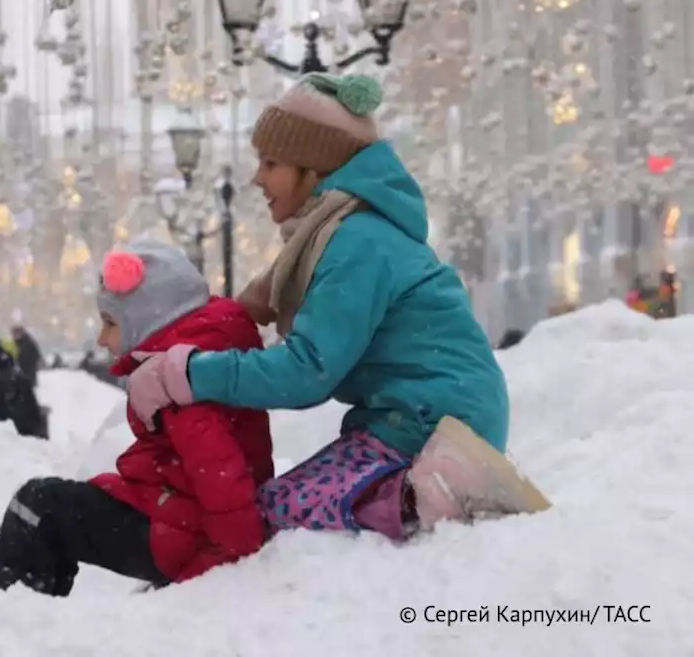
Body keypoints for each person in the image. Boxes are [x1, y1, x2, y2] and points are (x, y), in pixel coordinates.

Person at [124, 73, 549, 543]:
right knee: (273, 509)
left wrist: (188, 374)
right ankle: (420, 487)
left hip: (432, 422)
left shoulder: (357, 242)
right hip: (430, 412)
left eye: (271, 163)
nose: (258, 178)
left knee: (271, 513)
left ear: (314, 169)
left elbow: (307, 372)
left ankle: (423, 494)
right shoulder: (345, 234)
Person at [0, 242, 274, 596]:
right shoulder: (194, 361)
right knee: (59, 505)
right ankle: (31, 612)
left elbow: (224, 483)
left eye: (110, 323)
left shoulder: (176, 381)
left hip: (178, 531)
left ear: (150, 319)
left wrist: (208, 572)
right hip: (177, 512)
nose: (102, 339)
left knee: (37, 505)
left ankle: (6, 615)